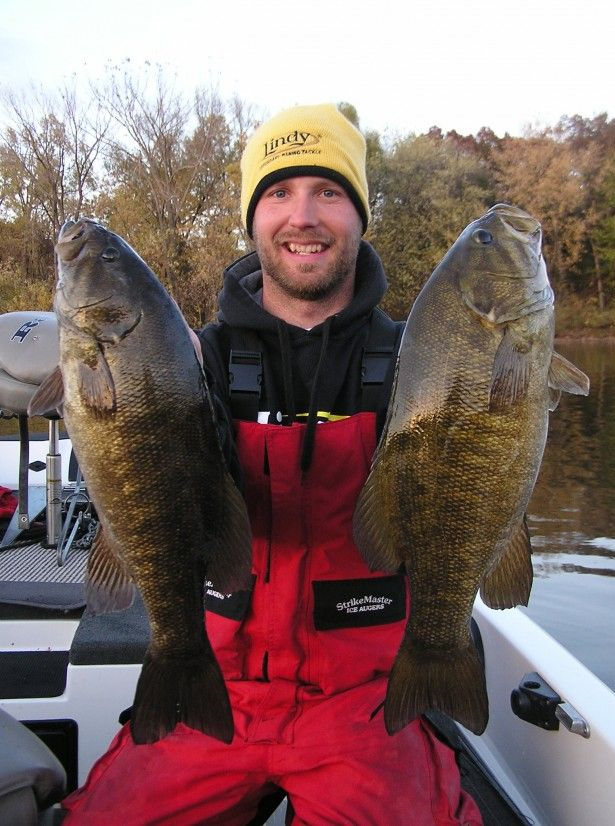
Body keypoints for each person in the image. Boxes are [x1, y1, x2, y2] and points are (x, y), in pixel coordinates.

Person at [62, 104, 482, 825]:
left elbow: (472, 495)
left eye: (329, 192)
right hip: (216, 683)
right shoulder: (187, 363)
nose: (303, 216)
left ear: (359, 215)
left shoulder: (426, 366)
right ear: (254, 220)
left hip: (365, 703)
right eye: (279, 194)